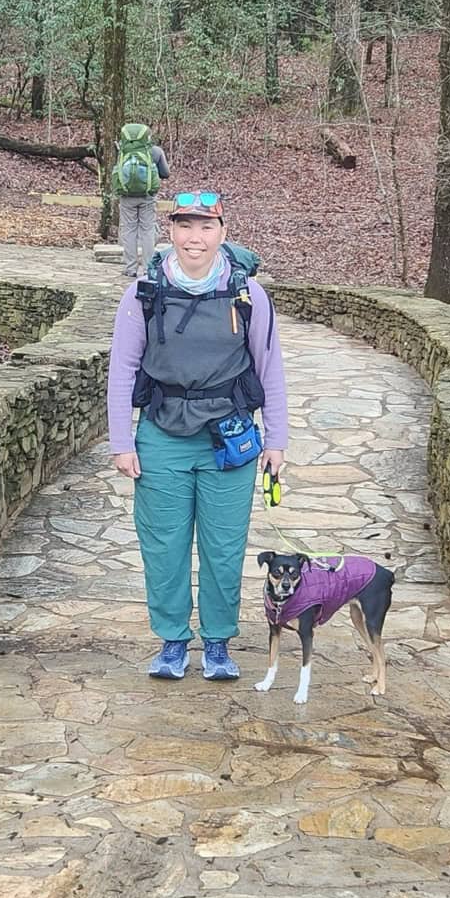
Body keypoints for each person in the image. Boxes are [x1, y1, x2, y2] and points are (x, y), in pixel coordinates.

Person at [107, 191, 288, 681]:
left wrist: (276, 439)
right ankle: (172, 641)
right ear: (170, 231)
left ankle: (217, 642)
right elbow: (122, 369)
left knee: (223, 547)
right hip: (162, 434)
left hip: (229, 437)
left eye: (206, 227)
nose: (195, 237)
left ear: (222, 233)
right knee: (163, 545)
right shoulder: (143, 293)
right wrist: (121, 441)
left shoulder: (248, 295)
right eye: (185, 226)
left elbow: (269, 368)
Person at [111, 122, 169, 278]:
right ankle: (148, 268)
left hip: (126, 197)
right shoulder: (155, 151)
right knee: (147, 230)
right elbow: (166, 173)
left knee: (129, 230)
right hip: (147, 197)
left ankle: (130, 268)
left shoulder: (122, 151)